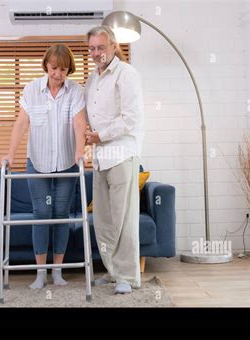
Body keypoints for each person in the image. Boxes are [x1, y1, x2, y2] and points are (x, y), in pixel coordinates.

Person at [1, 44, 87, 289]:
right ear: (46, 65)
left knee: (60, 216)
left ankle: (57, 272)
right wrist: (10, 154)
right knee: (41, 215)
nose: (58, 74)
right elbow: (21, 124)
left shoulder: (75, 91)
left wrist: (80, 152)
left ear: (69, 69)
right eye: (53, 68)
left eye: (63, 69)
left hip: (67, 162)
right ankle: (40, 273)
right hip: (37, 162)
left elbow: (79, 124)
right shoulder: (31, 89)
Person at [84, 26, 145, 294]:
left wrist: (100, 135)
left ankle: (128, 277)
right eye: (92, 48)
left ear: (113, 47)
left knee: (125, 219)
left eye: (101, 47)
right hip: (100, 158)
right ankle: (112, 271)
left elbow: (131, 119)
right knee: (104, 220)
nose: (96, 53)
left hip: (121, 154)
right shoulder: (92, 79)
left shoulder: (126, 74)